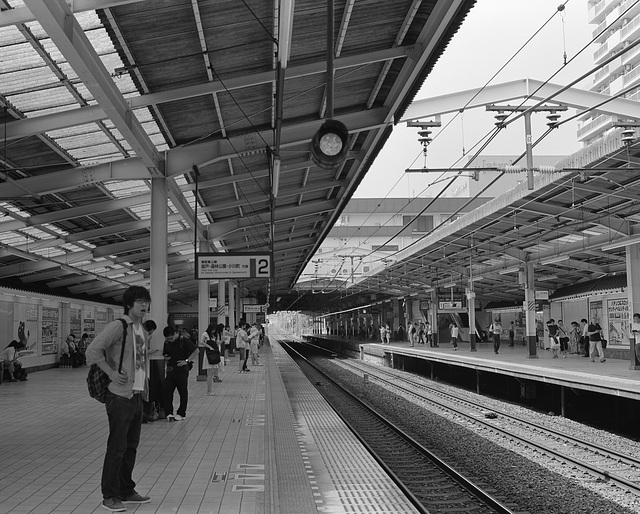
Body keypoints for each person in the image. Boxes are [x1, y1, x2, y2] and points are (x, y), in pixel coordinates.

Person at [84, 285, 152, 512]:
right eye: (140, 302)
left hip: (136, 395)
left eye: (146, 302)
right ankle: (109, 496)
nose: (144, 306)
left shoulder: (141, 328)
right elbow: (92, 350)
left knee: (131, 446)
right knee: (117, 447)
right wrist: (111, 372)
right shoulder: (119, 326)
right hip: (119, 396)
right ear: (129, 304)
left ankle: (126, 489)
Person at [162, 326, 198, 421]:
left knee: (183, 392)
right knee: (167, 391)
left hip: (182, 371)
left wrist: (187, 361)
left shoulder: (183, 340)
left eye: (170, 338)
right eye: (167, 339)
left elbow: (196, 351)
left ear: (175, 334)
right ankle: (169, 413)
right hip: (170, 371)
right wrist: (165, 358)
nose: (169, 340)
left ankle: (181, 413)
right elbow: (165, 354)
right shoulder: (167, 343)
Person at [200, 323, 221, 395]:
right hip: (209, 355)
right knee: (210, 373)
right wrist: (209, 347)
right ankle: (209, 390)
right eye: (212, 330)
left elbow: (217, 343)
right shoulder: (205, 334)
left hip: (214, 354)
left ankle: (209, 390)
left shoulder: (214, 335)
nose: (213, 331)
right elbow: (201, 342)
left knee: (211, 373)